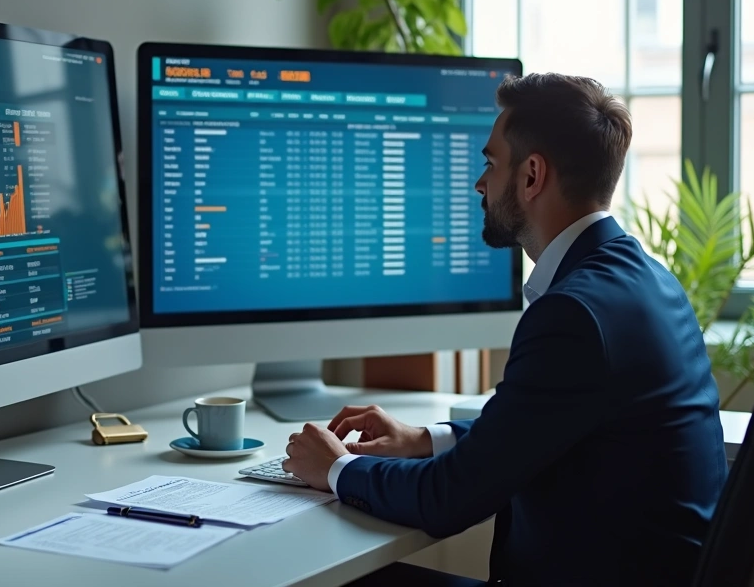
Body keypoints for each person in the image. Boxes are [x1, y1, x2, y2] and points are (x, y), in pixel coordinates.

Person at [282, 73, 728, 587]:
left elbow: (448, 500)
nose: (480, 182)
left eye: (490, 163)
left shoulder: (573, 314)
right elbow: (539, 425)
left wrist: (337, 468)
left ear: (532, 175)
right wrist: (424, 439)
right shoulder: (646, 280)